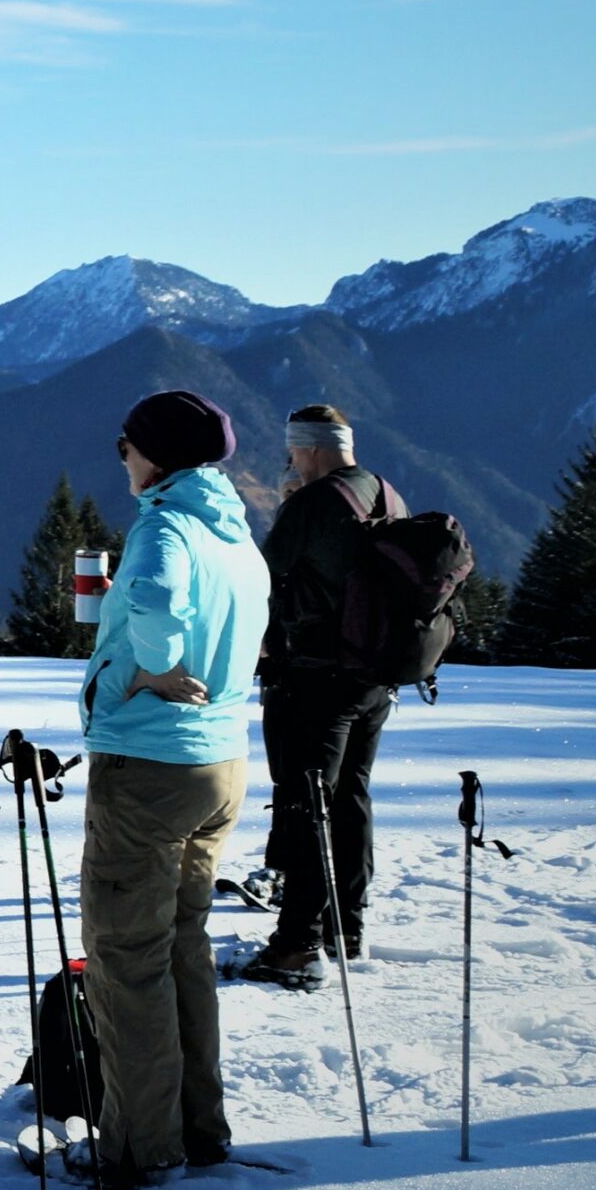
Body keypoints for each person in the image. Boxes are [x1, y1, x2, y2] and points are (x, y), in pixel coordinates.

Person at [69, 390, 270, 1190]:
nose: (121, 457)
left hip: (150, 764)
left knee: (126, 957)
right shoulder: (234, 533)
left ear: (154, 454)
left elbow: (154, 599)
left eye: (126, 444)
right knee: (183, 945)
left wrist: (150, 666)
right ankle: (197, 1127)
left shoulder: (166, 527)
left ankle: (138, 1146)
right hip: (221, 762)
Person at [239, 404, 403, 988]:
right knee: (350, 797)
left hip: (313, 679)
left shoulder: (313, 502)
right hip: (373, 680)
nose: (291, 461)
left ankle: (296, 946)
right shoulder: (386, 495)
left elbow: (261, 579)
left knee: (307, 803)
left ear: (309, 447)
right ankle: (345, 928)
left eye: (293, 451)